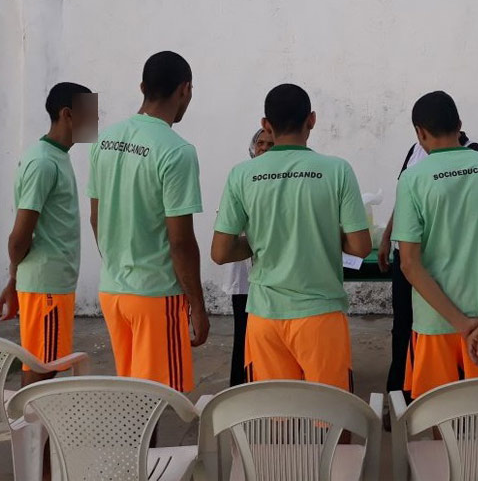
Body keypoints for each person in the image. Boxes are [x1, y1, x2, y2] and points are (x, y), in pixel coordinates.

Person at [211, 83, 371, 390]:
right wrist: (323, 234)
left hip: (263, 316)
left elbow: (220, 252)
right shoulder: (337, 170)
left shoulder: (242, 174)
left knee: (277, 423)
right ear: (311, 120)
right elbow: (361, 247)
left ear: (266, 125)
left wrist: (260, 241)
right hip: (321, 315)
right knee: (333, 416)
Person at [88, 51, 209, 394]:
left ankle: (135, 450)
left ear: (143, 87)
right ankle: (146, 452)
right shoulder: (176, 150)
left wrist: (118, 262)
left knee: (134, 395)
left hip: (113, 291)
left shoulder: (104, 140)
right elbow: (181, 243)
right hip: (156, 295)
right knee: (157, 399)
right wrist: (198, 306)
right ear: (185, 90)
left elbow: (96, 216)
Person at [392, 91, 478, 399]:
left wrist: (460, 323)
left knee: (436, 416)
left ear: (420, 133)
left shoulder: (413, 179)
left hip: (435, 323)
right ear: (459, 125)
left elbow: (410, 264)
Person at [378, 132, 478, 401]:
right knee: (403, 325)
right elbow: (404, 198)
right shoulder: (413, 152)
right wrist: (387, 235)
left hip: (452, 261)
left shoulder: (474, 155)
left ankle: (455, 396)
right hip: (409, 257)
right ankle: (400, 395)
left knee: (449, 326)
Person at [1, 82, 94, 387]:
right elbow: (19, 236)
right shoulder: (43, 162)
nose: (94, 121)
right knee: (44, 371)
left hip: (50, 285)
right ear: (67, 114)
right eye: (89, 113)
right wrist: (17, 277)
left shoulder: (56, 156)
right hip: (47, 288)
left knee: (44, 368)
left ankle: (35, 434)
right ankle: (31, 434)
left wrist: (15, 280)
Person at [224, 128, 274, 387]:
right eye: (260, 144)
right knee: (243, 335)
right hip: (244, 277)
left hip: (269, 276)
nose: (263, 148)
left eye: (270, 144)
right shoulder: (241, 178)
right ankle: (238, 389)